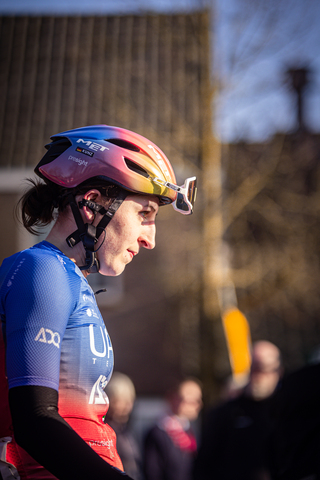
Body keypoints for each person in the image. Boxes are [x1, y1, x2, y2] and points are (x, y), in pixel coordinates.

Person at [0, 124, 197, 480]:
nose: (150, 239)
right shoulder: (41, 269)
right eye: (145, 214)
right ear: (91, 205)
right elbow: (35, 420)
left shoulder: (70, 279)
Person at [193, 340, 282, 480]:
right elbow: (204, 465)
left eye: (263, 368)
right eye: (253, 367)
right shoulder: (225, 414)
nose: (257, 375)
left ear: (278, 371)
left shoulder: (288, 412)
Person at [143, 378, 203, 480]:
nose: (199, 405)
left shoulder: (189, 431)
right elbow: (153, 473)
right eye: (194, 401)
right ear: (175, 399)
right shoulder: (158, 433)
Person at [104, 372, 142, 480]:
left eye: (130, 400)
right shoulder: (106, 432)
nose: (127, 405)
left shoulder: (127, 431)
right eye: (121, 400)